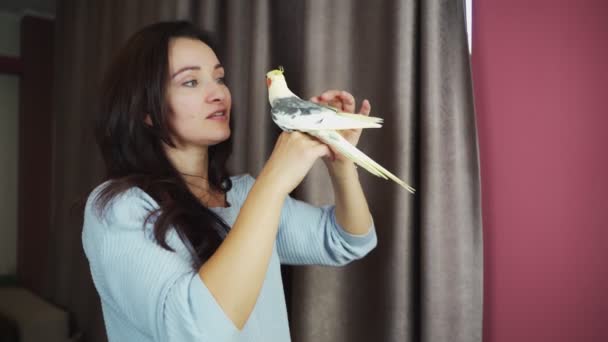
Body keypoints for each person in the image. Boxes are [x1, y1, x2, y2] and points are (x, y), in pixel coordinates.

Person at [82, 21, 377, 342]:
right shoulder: (117, 209)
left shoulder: (243, 194)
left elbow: (348, 240)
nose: (218, 93)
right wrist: (275, 179)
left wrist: (342, 164)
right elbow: (196, 328)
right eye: (191, 81)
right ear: (146, 111)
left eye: (219, 78)